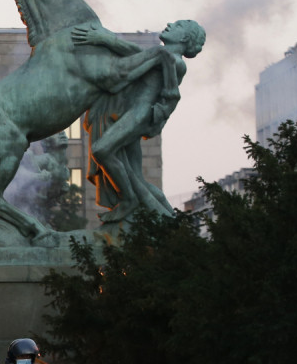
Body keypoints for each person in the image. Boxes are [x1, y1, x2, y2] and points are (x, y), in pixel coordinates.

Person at [73, 19, 205, 223]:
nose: (169, 24)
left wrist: (156, 117)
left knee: (101, 150)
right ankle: (171, 220)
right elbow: (136, 51)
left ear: (185, 38)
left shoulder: (175, 62)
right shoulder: (162, 55)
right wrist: (105, 39)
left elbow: (172, 94)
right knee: (136, 176)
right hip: (131, 113)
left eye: (177, 26)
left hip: (139, 114)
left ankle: (129, 200)